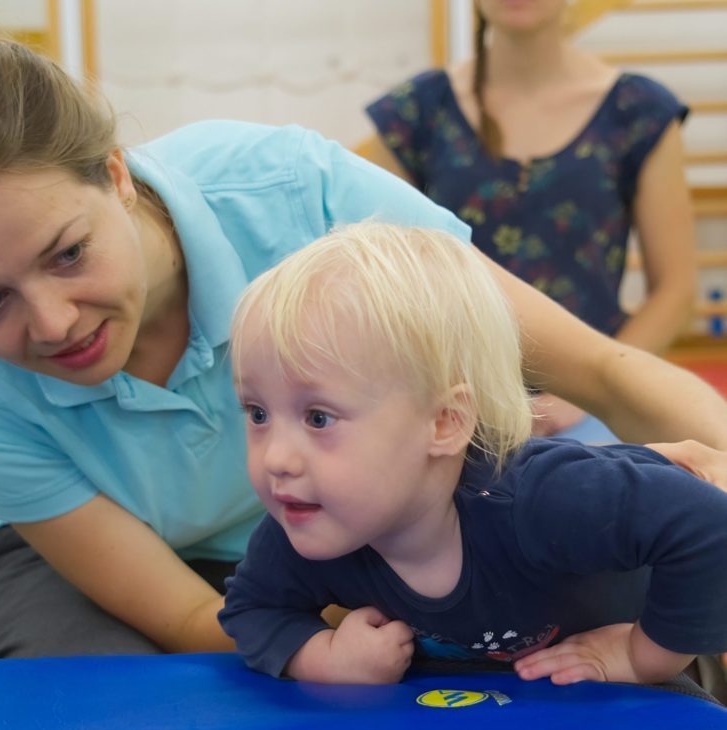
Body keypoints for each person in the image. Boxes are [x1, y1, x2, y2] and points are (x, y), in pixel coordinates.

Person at [0, 20, 727, 661]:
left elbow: (606, 369)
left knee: (605, 638)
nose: (51, 323)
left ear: (115, 175)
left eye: (68, 254)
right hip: (127, 555)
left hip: (374, 515)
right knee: (82, 706)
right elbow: (193, 620)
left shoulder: (292, 190)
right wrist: (343, 638)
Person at [219, 222, 727, 690]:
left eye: (318, 418)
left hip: (672, 625)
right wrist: (325, 656)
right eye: (258, 414)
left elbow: (707, 525)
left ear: (443, 422)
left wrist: (644, 656)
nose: (277, 459)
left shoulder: (543, 499)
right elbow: (252, 607)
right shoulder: (309, 519)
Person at [364, 0, 697, 441]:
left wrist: (594, 388)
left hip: (591, 399)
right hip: (448, 396)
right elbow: (378, 272)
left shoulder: (638, 112)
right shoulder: (415, 113)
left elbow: (676, 292)